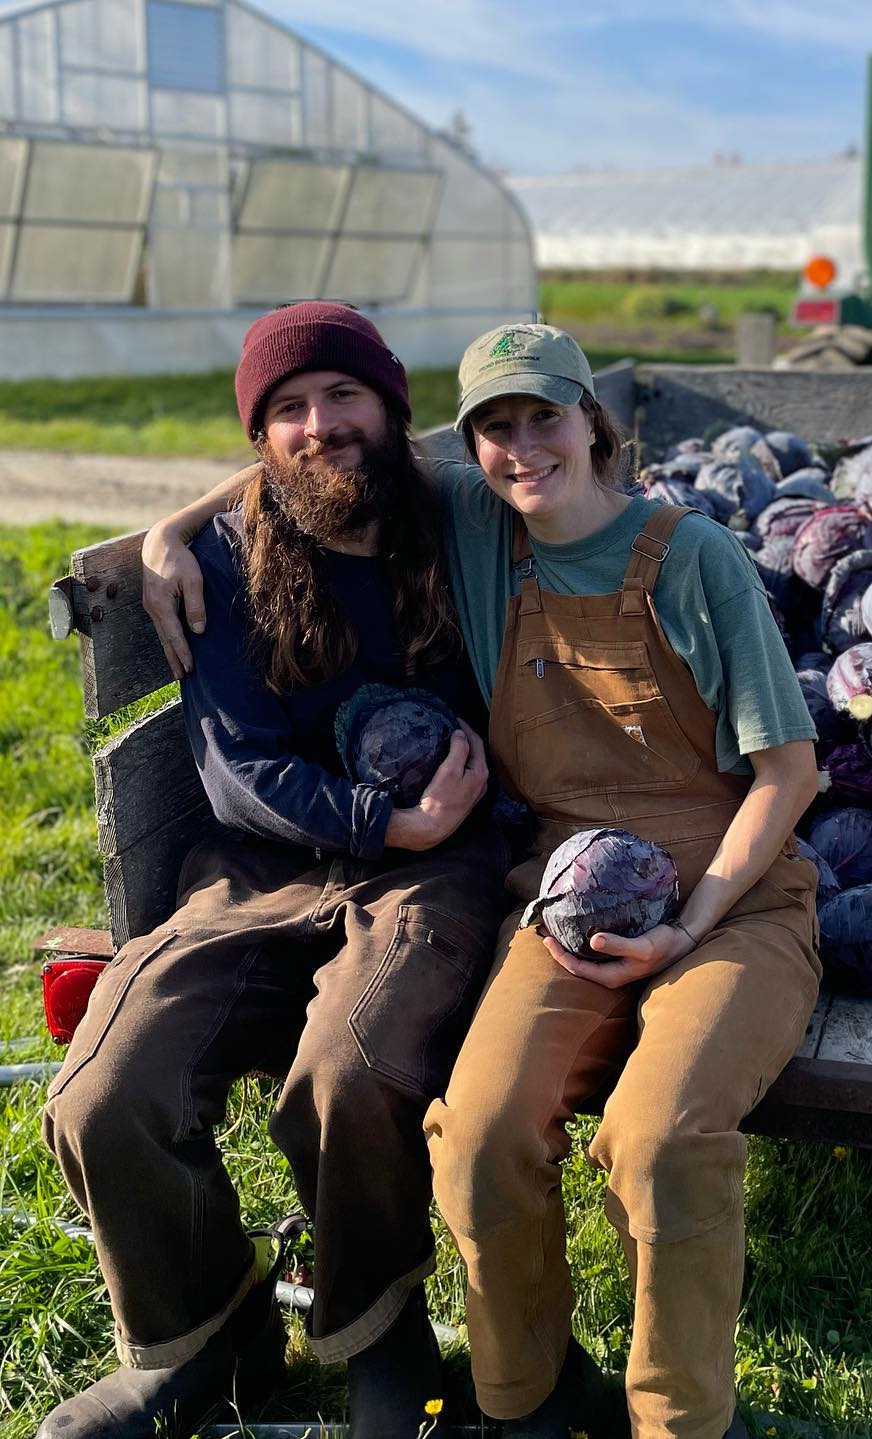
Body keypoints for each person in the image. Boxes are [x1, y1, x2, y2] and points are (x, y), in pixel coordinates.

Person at [142, 321, 823, 1439]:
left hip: (731, 894)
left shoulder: (694, 557)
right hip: (563, 891)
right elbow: (315, 454)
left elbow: (788, 774)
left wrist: (691, 923)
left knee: (659, 1141)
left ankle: (682, 1418)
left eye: (542, 417)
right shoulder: (478, 525)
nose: (519, 449)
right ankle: (528, 1399)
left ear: (590, 422)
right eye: (494, 428)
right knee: (477, 1131)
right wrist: (171, 529)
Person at [41, 302, 508, 1439]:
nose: (319, 425)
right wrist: (372, 818)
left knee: (350, 1074)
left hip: (437, 861)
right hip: (260, 864)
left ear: (393, 409)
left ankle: (380, 1332)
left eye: (343, 395)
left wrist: (420, 831)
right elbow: (238, 761)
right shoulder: (224, 560)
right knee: (106, 1086)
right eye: (287, 409)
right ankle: (203, 1328)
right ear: (259, 438)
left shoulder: (457, 521)